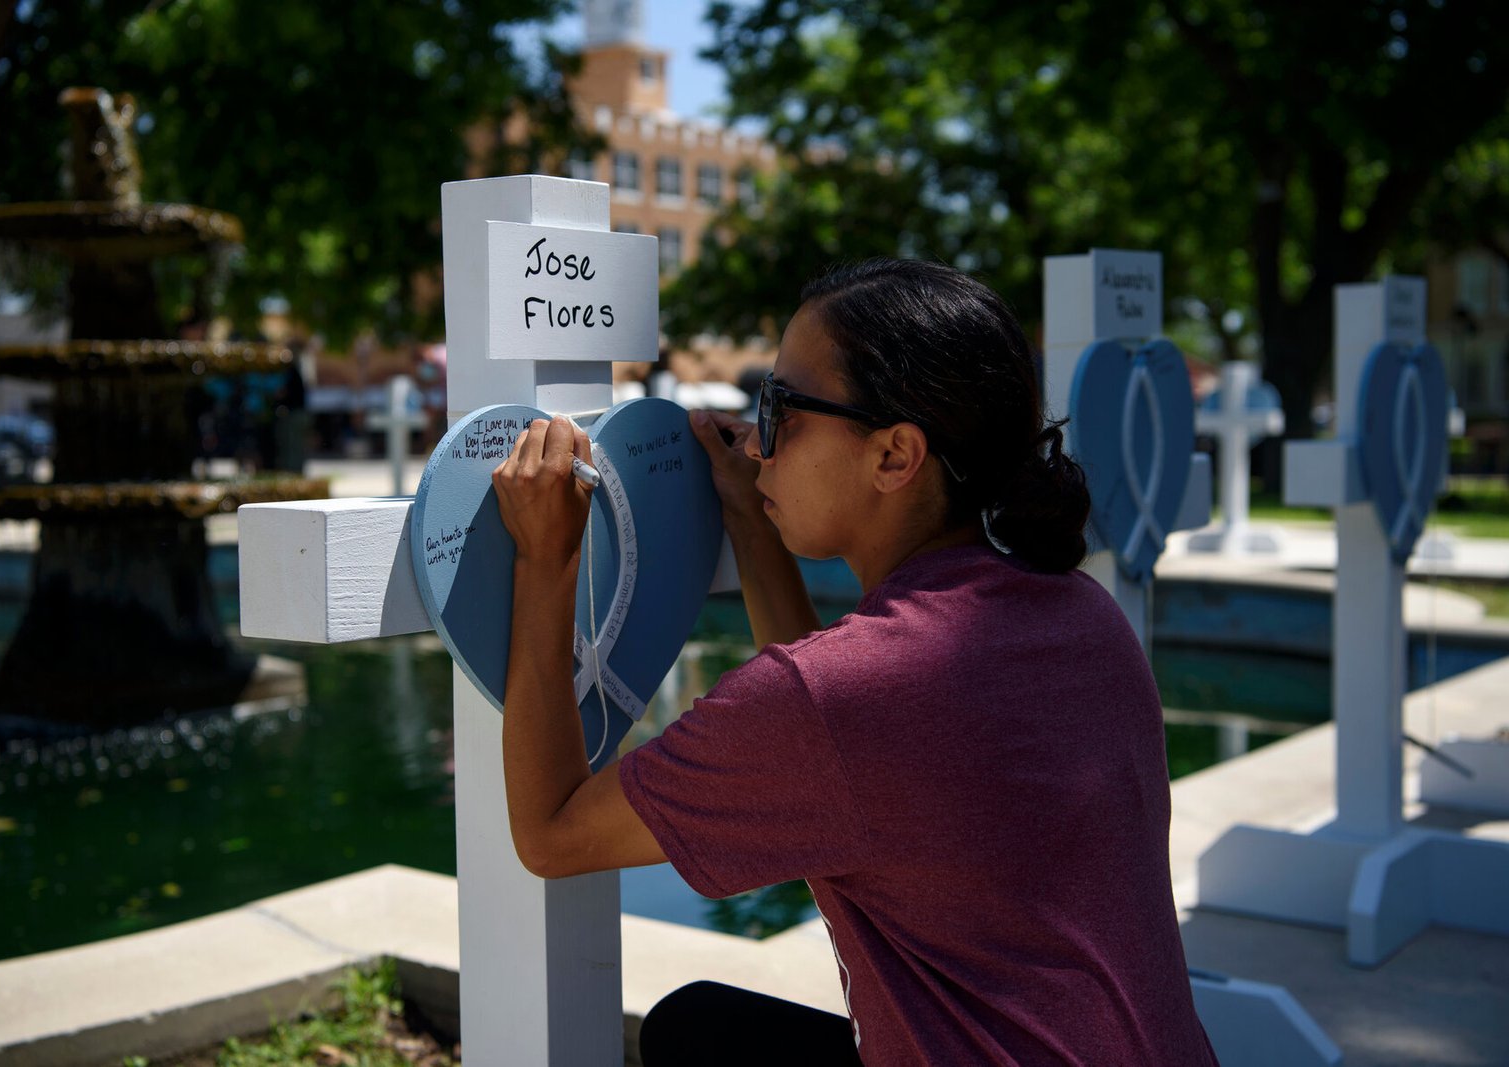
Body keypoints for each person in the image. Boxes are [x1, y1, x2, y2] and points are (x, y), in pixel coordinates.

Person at [490, 258, 1219, 1066]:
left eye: (781, 410)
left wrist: (546, 558)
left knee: (695, 1035)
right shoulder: (1086, 618)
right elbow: (831, 735)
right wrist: (753, 518)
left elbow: (552, 835)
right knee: (702, 1029)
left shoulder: (842, 698)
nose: (760, 444)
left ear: (894, 456)